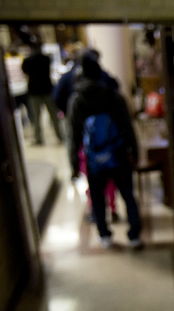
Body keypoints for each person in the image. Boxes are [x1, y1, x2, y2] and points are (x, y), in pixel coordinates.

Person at [68, 53, 143, 249]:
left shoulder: (77, 101)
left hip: (93, 159)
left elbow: (73, 136)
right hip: (118, 154)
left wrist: (74, 164)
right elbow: (128, 127)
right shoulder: (114, 97)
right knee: (127, 194)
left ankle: (104, 235)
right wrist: (134, 153)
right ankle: (134, 235)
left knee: (98, 198)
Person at [53, 48, 121, 223]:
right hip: (108, 138)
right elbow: (117, 89)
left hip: (86, 141)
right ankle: (112, 208)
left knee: (93, 181)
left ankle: (97, 214)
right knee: (110, 178)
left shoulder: (69, 82)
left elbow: (57, 97)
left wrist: (67, 113)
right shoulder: (104, 77)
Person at [21, 42, 63, 145]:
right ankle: (60, 136)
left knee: (36, 117)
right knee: (53, 115)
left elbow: (25, 71)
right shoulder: (46, 59)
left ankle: (38, 139)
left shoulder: (27, 61)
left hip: (35, 91)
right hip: (47, 89)